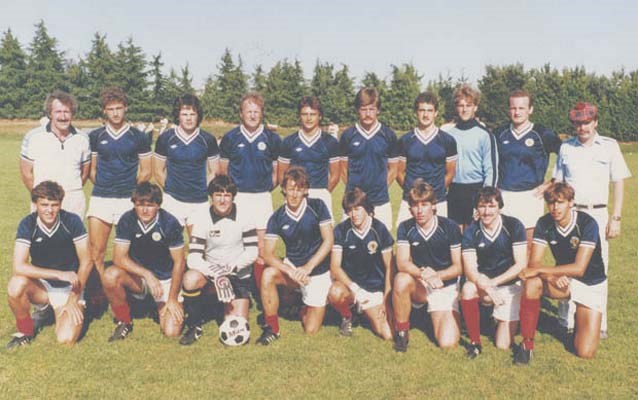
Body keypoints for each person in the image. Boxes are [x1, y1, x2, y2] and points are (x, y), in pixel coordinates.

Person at [553, 101, 631, 338]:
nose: (582, 127)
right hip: (571, 214)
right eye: (578, 123)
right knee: (566, 264)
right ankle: (566, 319)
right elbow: (558, 183)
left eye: (586, 122)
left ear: (595, 122)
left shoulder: (609, 146)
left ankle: (600, 322)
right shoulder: (566, 148)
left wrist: (615, 218)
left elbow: (618, 183)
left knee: (598, 268)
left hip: (597, 214)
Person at [514, 183, 607, 363]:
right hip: (562, 281)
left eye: (560, 202)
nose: (555, 207)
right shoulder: (544, 223)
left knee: (585, 352)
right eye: (551, 203)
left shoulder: (587, 223)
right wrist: (550, 277)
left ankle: (578, 317)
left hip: (591, 284)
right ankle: (526, 346)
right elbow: (534, 261)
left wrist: (542, 270)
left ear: (571, 203)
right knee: (532, 284)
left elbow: (579, 268)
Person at [6, 181, 92, 348]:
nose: (50, 210)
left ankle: (66, 310)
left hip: (70, 288)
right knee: (16, 285)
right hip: (43, 287)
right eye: (44, 205)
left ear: (60, 204)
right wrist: (59, 274)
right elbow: (19, 266)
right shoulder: (28, 224)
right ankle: (26, 330)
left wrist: (73, 298)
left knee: (65, 339)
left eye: (54, 205)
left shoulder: (71, 221)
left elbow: (87, 262)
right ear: (35, 204)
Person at [257, 166, 333, 344]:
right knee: (268, 274)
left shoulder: (318, 206)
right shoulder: (277, 217)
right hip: (294, 271)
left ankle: (304, 306)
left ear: (306, 190)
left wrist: (308, 267)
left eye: (299, 189)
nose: (294, 194)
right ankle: (272, 328)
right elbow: (267, 253)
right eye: (291, 188)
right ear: (283, 189)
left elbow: (328, 240)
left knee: (311, 330)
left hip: (317, 271)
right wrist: (289, 271)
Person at [180, 175, 258, 345]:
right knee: (190, 278)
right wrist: (215, 272)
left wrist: (230, 268)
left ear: (233, 197)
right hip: (212, 275)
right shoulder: (201, 218)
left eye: (227, 195)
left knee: (237, 324)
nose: (222, 200)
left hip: (238, 276)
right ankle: (194, 324)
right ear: (211, 196)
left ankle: (218, 306)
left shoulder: (245, 216)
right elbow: (193, 257)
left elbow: (252, 252)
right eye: (218, 195)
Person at [102, 182, 185, 341]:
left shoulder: (169, 222)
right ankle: (124, 320)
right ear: (134, 204)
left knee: (171, 332)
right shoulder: (127, 219)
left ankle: (161, 305)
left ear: (158, 205)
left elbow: (179, 263)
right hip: (139, 279)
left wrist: (173, 298)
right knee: (110, 275)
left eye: (150, 205)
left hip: (165, 280)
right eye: (140, 205)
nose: (145, 210)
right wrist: (147, 275)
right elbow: (118, 258)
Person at [87, 87, 152, 287]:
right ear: (104, 111)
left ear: (126, 108)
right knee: (96, 251)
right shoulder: (95, 136)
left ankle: (132, 292)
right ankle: (99, 295)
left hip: (127, 200)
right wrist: (106, 186)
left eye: (119, 108)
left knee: (129, 252)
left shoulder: (138, 136)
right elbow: (92, 170)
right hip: (101, 199)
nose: (115, 112)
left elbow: (146, 170)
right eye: (111, 109)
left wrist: (131, 192)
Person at [219, 92, 281, 293]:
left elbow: (277, 174)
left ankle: (262, 291)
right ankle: (234, 288)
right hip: (238, 198)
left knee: (262, 247)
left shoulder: (272, 138)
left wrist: (263, 188)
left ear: (262, 113)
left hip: (262, 198)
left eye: (256, 111)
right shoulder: (230, 138)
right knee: (235, 243)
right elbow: (222, 171)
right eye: (249, 111)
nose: (252, 115)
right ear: (241, 113)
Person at [393, 180, 462, 352]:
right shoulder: (405, 227)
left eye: (424, 204)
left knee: (448, 343)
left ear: (434, 205)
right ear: (410, 209)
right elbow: (402, 263)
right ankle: (402, 332)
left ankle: (426, 316)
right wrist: (425, 274)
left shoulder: (450, 227)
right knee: (401, 279)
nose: (420, 210)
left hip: (444, 286)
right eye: (415, 205)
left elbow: (458, 267)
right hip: (421, 285)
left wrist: (437, 275)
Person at [460, 187, 527, 359]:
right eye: (482, 206)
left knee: (503, 345)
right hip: (484, 286)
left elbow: (520, 264)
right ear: (477, 209)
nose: (486, 211)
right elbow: (470, 269)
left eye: (491, 206)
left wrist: (495, 283)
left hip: (508, 285)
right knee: (468, 289)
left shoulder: (514, 225)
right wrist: (489, 288)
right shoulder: (471, 231)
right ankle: (475, 342)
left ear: (499, 207)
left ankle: (503, 319)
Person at [495, 90, 561, 249]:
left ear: (530, 109)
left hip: (531, 196)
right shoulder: (499, 133)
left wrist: (551, 182)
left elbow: (566, 155)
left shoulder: (542, 133)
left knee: (529, 247)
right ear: (508, 109)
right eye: (513, 108)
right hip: (505, 195)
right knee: (504, 246)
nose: (517, 112)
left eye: (521, 108)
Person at [329, 188, 393, 340]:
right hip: (352, 289)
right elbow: (335, 267)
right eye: (350, 210)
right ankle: (348, 314)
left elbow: (390, 267)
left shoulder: (379, 229)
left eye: (357, 209)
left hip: (374, 290)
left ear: (367, 209)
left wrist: (386, 300)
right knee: (335, 292)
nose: (354, 214)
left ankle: (363, 312)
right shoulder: (341, 230)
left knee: (388, 334)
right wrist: (355, 289)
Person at [154, 94, 219, 236]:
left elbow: (214, 171)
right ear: (178, 115)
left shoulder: (208, 139)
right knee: (169, 248)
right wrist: (171, 188)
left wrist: (203, 189)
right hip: (172, 201)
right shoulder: (166, 138)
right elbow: (158, 170)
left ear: (198, 115)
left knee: (200, 247)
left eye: (192, 114)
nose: (189, 118)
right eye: (184, 114)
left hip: (199, 202)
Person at [20, 90, 91, 218]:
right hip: (44, 200)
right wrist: (41, 196)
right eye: (58, 112)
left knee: (73, 237)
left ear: (72, 113)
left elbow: (84, 173)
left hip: (73, 200)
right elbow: (26, 173)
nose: (63, 117)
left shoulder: (83, 138)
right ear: (50, 114)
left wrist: (71, 190)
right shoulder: (33, 137)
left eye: (66, 112)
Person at [339, 87, 398, 229]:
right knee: (350, 244)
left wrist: (379, 186)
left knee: (383, 246)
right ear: (357, 110)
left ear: (378, 110)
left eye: (371, 109)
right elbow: (343, 169)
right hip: (353, 203)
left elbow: (394, 169)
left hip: (380, 202)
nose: (367, 113)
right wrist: (354, 193)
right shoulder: (348, 135)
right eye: (363, 109)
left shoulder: (388, 135)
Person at [396, 92, 457, 224]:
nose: (425, 115)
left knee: (438, 240)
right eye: (422, 110)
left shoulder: (447, 140)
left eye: (430, 110)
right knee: (408, 239)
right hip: (410, 200)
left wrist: (435, 192)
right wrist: (412, 192)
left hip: (438, 201)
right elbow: (399, 172)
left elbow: (451, 172)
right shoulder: (405, 140)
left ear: (435, 113)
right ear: (416, 112)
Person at [444, 84, 498, 229]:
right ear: (456, 107)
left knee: (472, 240)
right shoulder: (448, 135)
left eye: (468, 105)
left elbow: (491, 169)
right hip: (454, 192)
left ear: (475, 107)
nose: (464, 109)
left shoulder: (485, 134)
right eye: (461, 105)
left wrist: (485, 199)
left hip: (476, 191)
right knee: (455, 241)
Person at [278, 96, 340, 217]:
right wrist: (292, 192)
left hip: (320, 193)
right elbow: (282, 174)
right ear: (299, 116)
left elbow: (335, 175)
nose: (309, 118)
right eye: (305, 114)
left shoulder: (330, 142)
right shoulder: (289, 142)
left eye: (313, 114)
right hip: (296, 194)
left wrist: (324, 192)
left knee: (324, 234)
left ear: (320, 116)